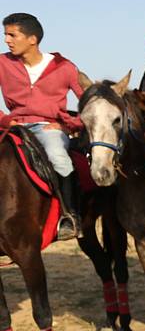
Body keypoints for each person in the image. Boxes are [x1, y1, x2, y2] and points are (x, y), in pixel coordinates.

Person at [0, 13, 84, 240]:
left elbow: (90, 103)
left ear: (32, 39)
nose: (6, 40)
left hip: (48, 128)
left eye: (12, 35)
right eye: (5, 34)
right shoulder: (2, 63)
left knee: (58, 156)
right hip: (13, 127)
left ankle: (70, 216)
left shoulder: (64, 67)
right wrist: (5, 120)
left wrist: (69, 126)